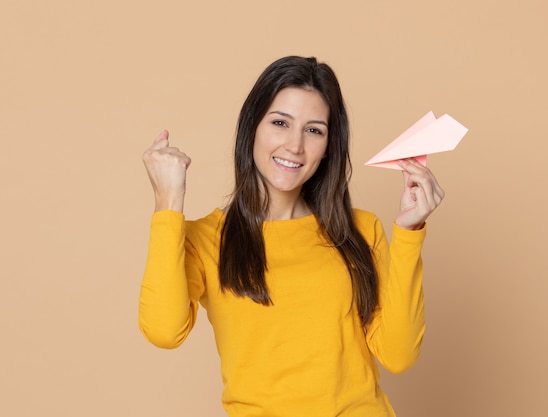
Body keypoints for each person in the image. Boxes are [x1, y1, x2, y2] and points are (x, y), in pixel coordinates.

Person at [139, 55, 444, 417]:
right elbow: (164, 331)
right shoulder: (205, 239)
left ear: (329, 146)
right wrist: (168, 202)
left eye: (314, 130)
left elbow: (399, 354)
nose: (295, 145)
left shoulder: (361, 230)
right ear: (252, 126)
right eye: (280, 123)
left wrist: (408, 233)